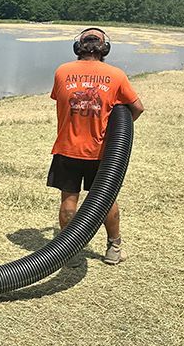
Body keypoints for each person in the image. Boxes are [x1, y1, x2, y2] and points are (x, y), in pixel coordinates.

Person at [48, 27, 144, 265]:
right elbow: (138, 107)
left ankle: (68, 252)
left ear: (78, 47)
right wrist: (120, 131)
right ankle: (113, 248)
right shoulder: (116, 75)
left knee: (69, 200)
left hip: (67, 148)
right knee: (106, 199)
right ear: (105, 48)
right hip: (103, 153)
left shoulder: (62, 71)